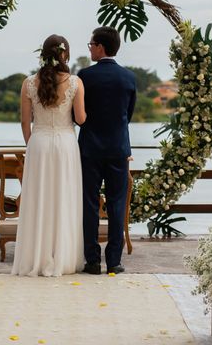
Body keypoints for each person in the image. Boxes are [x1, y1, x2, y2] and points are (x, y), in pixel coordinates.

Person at [11, 34, 87, 277]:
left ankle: (36, 256)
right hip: (65, 143)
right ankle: (63, 256)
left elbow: (25, 122)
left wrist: (32, 145)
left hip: (39, 143)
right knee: (64, 197)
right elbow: (81, 119)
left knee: (39, 198)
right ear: (65, 54)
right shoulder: (75, 82)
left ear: (43, 53)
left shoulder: (28, 83)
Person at [78, 26, 136, 275]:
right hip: (118, 148)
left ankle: (92, 260)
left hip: (89, 149)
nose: (89, 48)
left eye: (91, 44)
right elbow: (128, 115)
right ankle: (114, 260)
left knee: (89, 204)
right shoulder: (128, 77)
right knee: (117, 204)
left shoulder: (84, 76)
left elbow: (78, 114)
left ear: (100, 47)